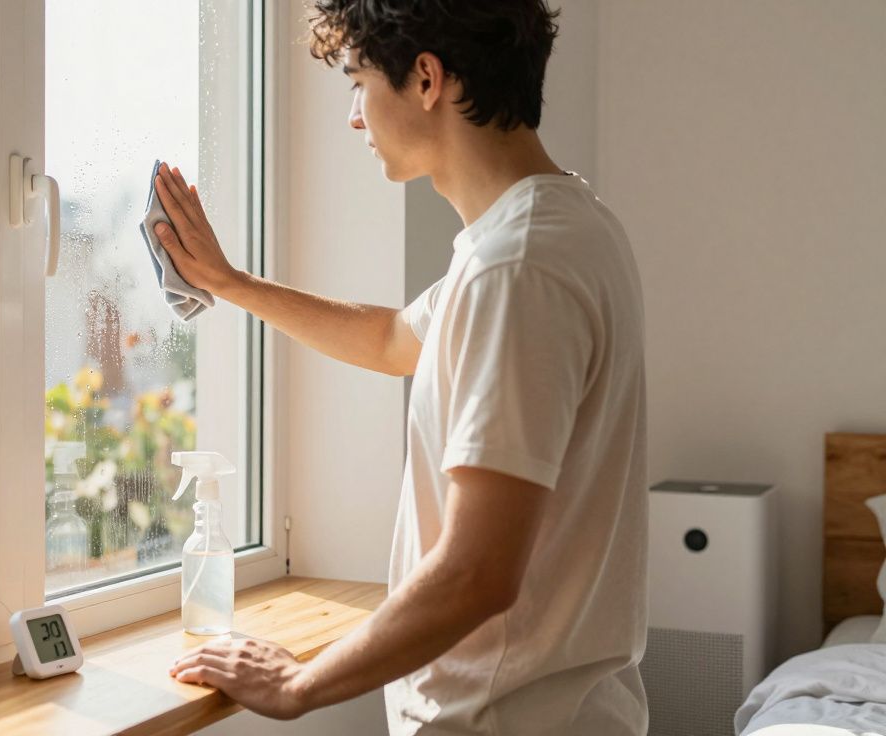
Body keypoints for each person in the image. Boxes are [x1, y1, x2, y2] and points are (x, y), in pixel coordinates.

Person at [157, 1, 648, 733]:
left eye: (357, 82)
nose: (355, 117)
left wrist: (300, 685)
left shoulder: (517, 266)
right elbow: (392, 341)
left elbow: (479, 573)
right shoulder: (561, 227)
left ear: (426, 79)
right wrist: (233, 284)